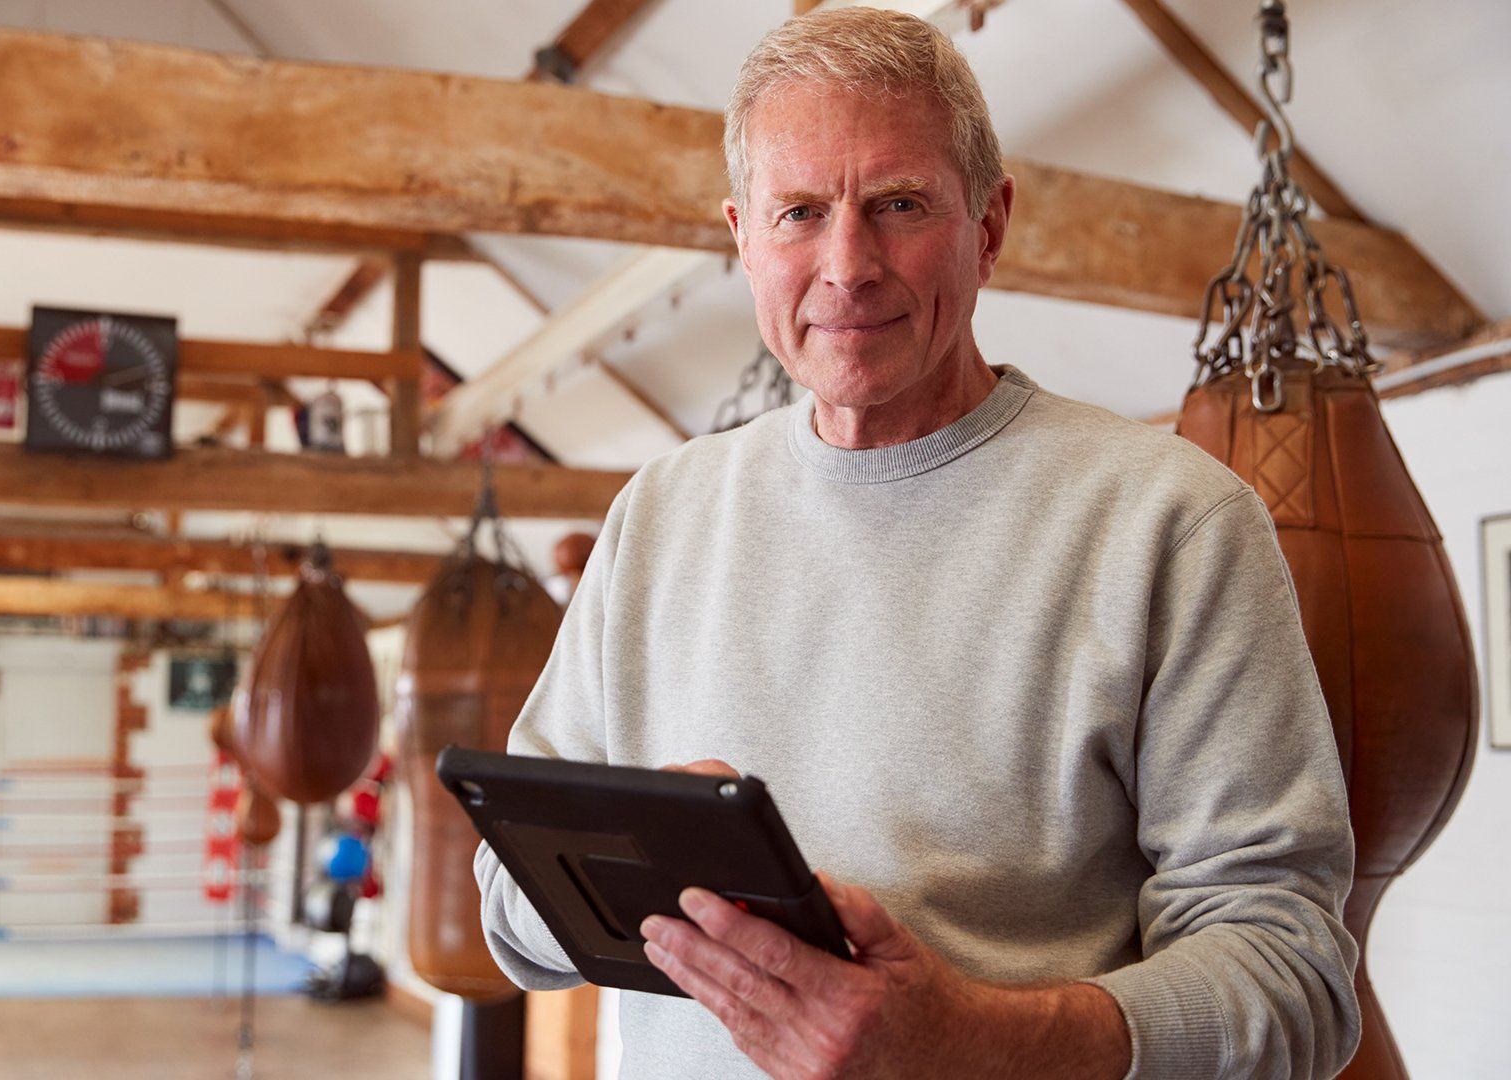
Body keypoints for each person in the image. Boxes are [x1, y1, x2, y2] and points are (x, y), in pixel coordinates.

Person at [473, 8, 1360, 1080]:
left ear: (988, 225)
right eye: (798, 212)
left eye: (897, 206)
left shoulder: (1173, 523)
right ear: (741, 238)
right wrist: (642, 856)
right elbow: (508, 915)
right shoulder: (659, 514)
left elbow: (1292, 977)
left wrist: (971, 1043)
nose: (847, 266)